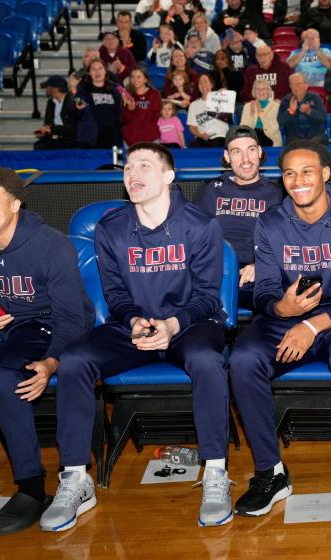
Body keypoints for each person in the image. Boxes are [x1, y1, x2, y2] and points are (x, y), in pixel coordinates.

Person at [41, 143, 233, 531]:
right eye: (128, 167)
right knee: (75, 360)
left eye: (144, 165)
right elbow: (114, 295)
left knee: (207, 361)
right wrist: (132, 321)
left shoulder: (201, 224)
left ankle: (215, 471)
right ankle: (76, 478)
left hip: (189, 324)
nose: (133, 174)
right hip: (134, 327)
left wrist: (172, 326)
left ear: (168, 176)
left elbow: (207, 297)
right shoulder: (111, 228)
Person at [229, 139, 331, 520]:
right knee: (243, 358)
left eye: (307, 171)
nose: (298, 180)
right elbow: (263, 291)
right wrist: (281, 306)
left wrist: (311, 325)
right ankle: (271, 471)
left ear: (326, 175)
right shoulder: (270, 222)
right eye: (289, 173)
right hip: (287, 316)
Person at [0, 167, 93, 535]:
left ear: (15, 205)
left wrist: (51, 360)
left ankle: (31, 487)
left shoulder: (51, 246)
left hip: (40, 326)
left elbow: (74, 318)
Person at [195, 126, 283, 311]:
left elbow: (289, 241)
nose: (245, 159)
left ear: (259, 152)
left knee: (276, 303)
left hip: (256, 275)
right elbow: (193, 238)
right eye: (237, 152)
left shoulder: (278, 193)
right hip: (213, 273)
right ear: (227, 156)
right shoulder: (210, 189)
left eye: (251, 149)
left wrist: (262, 266)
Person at [75, 59, 123, 148]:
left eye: (100, 68)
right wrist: (78, 108)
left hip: (112, 138)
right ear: (89, 72)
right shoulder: (82, 89)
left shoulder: (116, 88)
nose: (97, 72)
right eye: (94, 69)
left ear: (105, 71)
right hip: (90, 139)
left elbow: (121, 109)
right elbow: (77, 103)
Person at [277, 73, 327, 142]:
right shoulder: (286, 100)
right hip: (294, 139)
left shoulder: (315, 98)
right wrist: (291, 111)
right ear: (290, 86)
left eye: (299, 84)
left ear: (306, 85)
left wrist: (309, 111)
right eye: (293, 84)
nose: (296, 87)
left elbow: (323, 118)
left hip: (316, 137)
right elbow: (281, 122)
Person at [34, 75, 78, 149]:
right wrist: (44, 131)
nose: (46, 90)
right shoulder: (51, 103)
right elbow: (47, 124)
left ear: (54, 89)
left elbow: (75, 128)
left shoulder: (75, 100)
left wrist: (52, 129)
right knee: (39, 145)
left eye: (47, 87)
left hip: (71, 140)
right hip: (55, 138)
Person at [121, 68, 162, 146]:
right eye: (132, 77)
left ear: (145, 79)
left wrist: (134, 109)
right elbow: (125, 119)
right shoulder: (127, 95)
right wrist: (130, 109)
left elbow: (153, 117)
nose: (135, 79)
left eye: (139, 77)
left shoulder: (154, 94)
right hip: (130, 138)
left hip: (150, 138)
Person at [187, 74, 229, 147]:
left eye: (206, 82)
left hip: (219, 136)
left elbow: (227, 116)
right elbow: (192, 127)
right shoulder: (193, 105)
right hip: (201, 137)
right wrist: (201, 135)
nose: (203, 85)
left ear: (212, 85)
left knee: (215, 144)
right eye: (200, 83)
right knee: (194, 146)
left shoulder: (221, 99)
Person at [239, 78, 283, 147]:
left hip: (270, 137)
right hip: (253, 136)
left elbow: (273, 129)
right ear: (254, 91)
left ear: (268, 91)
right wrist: (252, 113)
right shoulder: (248, 106)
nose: (261, 91)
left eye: (263, 89)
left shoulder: (276, 106)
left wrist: (260, 112)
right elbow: (244, 128)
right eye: (258, 89)